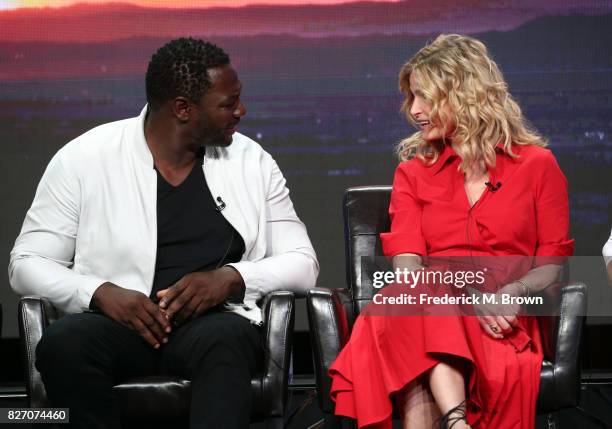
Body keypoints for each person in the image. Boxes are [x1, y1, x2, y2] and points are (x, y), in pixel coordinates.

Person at [9, 37, 319, 429]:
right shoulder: (84, 158)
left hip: (214, 323)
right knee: (64, 345)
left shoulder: (252, 161)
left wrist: (230, 278)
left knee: (226, 341)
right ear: (183, 109)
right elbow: (27, 263)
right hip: (117, 323)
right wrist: (100, 293)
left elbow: (303, 264)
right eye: (228, 102)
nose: (241, 111)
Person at [328, 34, 574, 429]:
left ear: (466, 95)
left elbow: (552, 265)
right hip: (431, 301)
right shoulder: (412, 173)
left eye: (425, 97)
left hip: (503, 314)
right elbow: (408, 267)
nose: (415, 110)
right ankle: (458, 422)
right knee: (414, 302)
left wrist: (509, 294)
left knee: (415, 340)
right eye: (411, 98)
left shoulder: (537, 166)